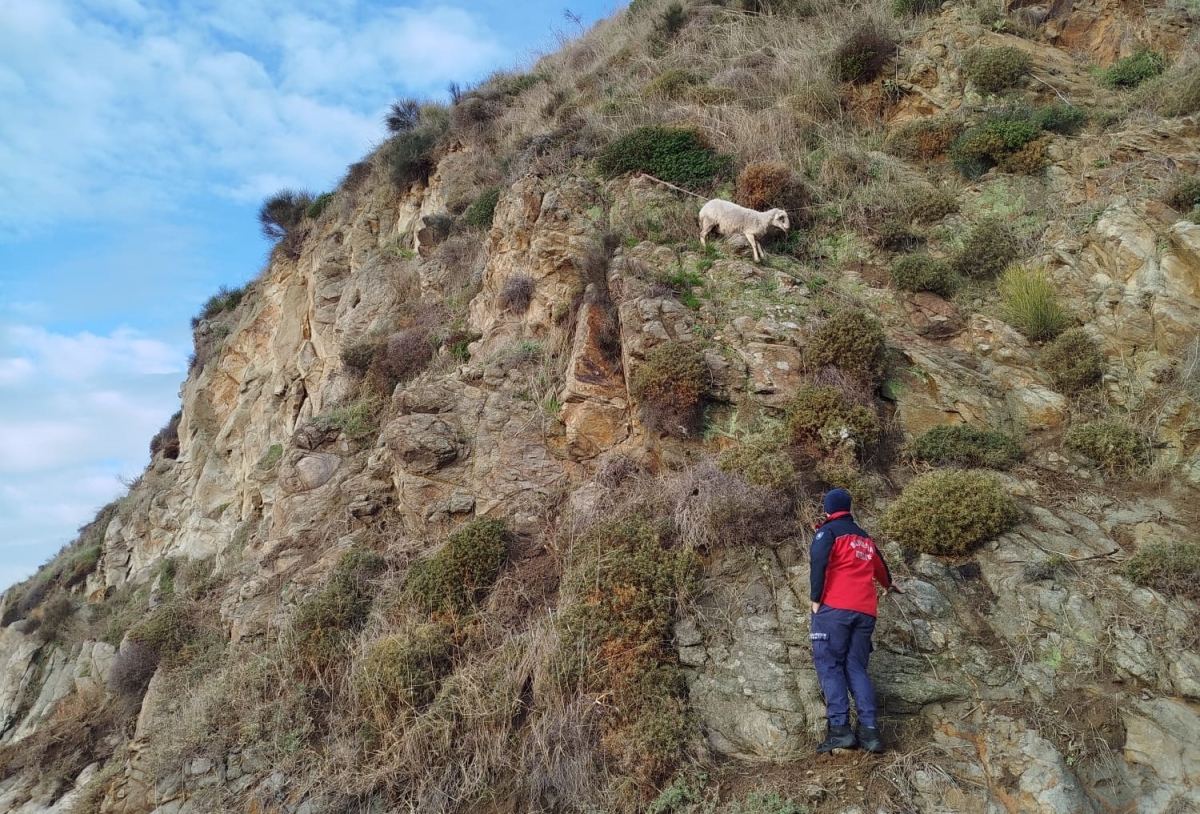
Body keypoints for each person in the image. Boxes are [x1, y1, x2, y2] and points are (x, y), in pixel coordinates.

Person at [809, 487, 902, 754]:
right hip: (865, 612)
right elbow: (880, 567)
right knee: (856, 668)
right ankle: (870, 733)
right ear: (848, 509)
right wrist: (889, 584)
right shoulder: (864, 537)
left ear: (828, 509)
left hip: (835, 609)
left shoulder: (827, 532)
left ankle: (840, 731)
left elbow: (818, 562)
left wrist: (816, 598)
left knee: (830, 666)